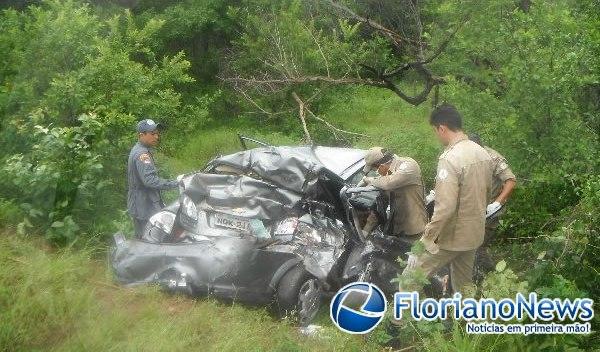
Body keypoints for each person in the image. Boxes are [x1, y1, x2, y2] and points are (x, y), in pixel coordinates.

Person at [403, 103, 492, 293]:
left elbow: (445, 208)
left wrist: (424, 241)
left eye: (436, 131)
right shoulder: (482, 153)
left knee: (409, 279)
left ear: (442, 128)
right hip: (474, 234)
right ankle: (467, 322)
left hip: (451, 237)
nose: (437, 135)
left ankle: (398, 323)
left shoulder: (450, 159)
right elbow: (487, 194)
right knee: (464, 287)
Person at [469, 133, 517, 272]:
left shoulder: (493, 158)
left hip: (489, 212)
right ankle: (483, 275)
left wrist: (497, 203)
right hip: (471, 210)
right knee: (469, 246)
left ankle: (487, 275)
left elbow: (510, 181)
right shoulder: (465, 156)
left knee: (477, 246)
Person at [360, 147, 428, 239]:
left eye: (374, 169)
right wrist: (365, 231)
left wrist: (369, 180)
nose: (376, 173)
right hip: (397, 227)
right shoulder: (387, 174)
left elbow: (389, 183)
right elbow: (380, 199)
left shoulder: (408, 165)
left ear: (381, 165)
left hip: (414, 229)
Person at [127, 119, 179, 238]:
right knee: (148, 241)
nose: (156, 136)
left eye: (157, 133)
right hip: (144, 207)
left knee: (148, 239)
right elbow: (150, 181)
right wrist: (175, 183)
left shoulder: (141, 150)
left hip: (144, 204)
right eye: (152, 134)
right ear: (141, 135)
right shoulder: (141, 154)